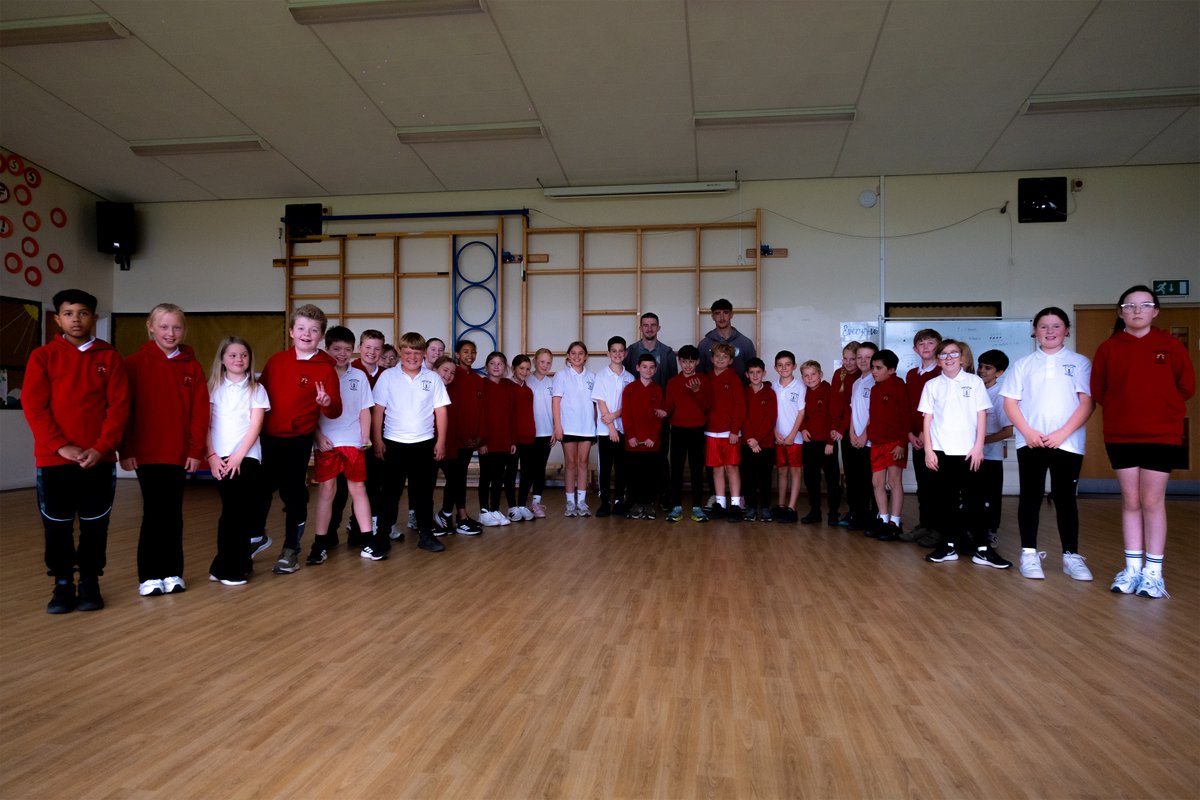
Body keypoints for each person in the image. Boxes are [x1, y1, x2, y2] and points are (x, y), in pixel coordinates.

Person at [24, 289, 129, 614]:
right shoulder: (43, 357)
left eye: (83, 313)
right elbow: (34, 407)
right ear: (58, 319)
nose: (76, 319)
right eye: (68, 314)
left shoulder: (109, 358)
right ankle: (62, 585)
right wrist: (61, 446)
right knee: (56, 525)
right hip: (54, 461)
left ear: (94, 318)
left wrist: (101, 449)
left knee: (95, 525)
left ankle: (90, 583)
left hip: (98, 460)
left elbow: (119, 408)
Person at [1091, 285, 1195, 598]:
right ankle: (1132, 569)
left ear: (1155, 311)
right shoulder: (1109, 348)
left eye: (1144, 305)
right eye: (1130, 306)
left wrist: (1159, 408)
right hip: (1121, 435)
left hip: (1161, 435)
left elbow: (1186, 386)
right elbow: (1099, 390)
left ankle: (1154, 572)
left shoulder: (1170, 346)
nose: (1137, 311)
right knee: (1131, 500)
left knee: (1152, 501)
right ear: (1121, 312)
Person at [120, 303, 209, 597]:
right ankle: (149, 575)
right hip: (145, 453)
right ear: (150, 327)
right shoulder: (132, 364)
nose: (171, 333)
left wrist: (196, 451)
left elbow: (200, 414)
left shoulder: (191, 366)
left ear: (184, 330)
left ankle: (172, 572)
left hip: (179, 454)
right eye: (164, 327)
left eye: (176, 327)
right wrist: (127, 449)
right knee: (153, 513)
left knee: (173, 514)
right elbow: (125, 411)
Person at [1001, 307, 1094, 582]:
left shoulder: (1080, 363)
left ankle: (1071, 556)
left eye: (1056, 326)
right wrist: (1028, 432)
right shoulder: (1023, 364)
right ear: (1034, 331)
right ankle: (1028, 553)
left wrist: (1062, 433)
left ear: (1067, 329)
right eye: (1044, 326)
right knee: (1030, 497)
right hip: (1030, 442)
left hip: (1068, 443)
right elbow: (1010, 402)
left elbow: (1087, 402)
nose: (1050, 331)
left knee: (1066, 499)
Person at [258, 304, 343, 575]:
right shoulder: (276, 361)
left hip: (298, 440)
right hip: (266, 437)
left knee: (293, 494)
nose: (307, 334)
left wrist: (327, 403)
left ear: (321, 336)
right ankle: (255, 536)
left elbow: (336, 409)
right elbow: (259, 398)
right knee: (259, 492)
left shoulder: (326, 370)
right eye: (302, 328)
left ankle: (290, 550)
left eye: (314, 330)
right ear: (292, 331)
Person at [919, 340, 1011, 568]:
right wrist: (929, 451)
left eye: (953, 354)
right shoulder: (932, 385)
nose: (948, 358)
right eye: (943, 354)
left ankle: (982, 549)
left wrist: (979, 446)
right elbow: (927, 419)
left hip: (970, 452)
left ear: (962, 358)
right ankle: (949, 546)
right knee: (946, 502)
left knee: (976, 502)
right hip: (941, 451)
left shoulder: (975, 382)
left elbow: (982, 415)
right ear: (938, 360)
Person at [363, 332, 450, 558]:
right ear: (401, 352)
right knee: (390, 494)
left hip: (425, 444)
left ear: (423, 355)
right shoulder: (387, 377)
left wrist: (440, 441)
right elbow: (378, 411)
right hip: (394, 444)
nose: (412, 357)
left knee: (423, 493)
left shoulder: (433, 379)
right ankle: (382, 536)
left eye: (417, 353)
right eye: (408, 352)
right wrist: (378, 440)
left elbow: (441, 411)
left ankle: (426, 535)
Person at [306, 326, 375, 566]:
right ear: (327, 348)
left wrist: (365, 436)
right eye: (337, 349)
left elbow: (365, 409)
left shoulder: (359, 376)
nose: (342, 353)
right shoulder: (320, 373)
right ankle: (319, 544)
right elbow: (308, 411)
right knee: (327, 492)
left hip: (353, 441)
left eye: (347, 349)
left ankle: (368, 540)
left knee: (359, 490)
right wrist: (317, 436)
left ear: (354, 350)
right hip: (327, 442)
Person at [205, 336, 269, 586]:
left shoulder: (256, 388)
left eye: (243, 355)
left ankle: (231, 564)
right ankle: (228, 567)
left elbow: (256, 424)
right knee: (233, 512)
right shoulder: (213, 388)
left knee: (242, 513)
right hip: (220, 458)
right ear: (222, 359)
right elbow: (206, 425)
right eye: (232, 355)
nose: (238, 359)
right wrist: (211, 456)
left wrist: (239, 456)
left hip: (247, 457)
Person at [328, 328, 388, 548]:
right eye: (368, 347)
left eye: (377, 348)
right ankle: (331, 531)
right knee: (339, 490)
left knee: (369, 487)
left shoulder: (385, 374)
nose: (372, 352)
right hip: (345, 439)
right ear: (360, 349)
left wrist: (374, 439)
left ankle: (359, 530)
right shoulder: (350, 370)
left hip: (374, 440)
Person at [664, 344, 712, 523]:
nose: (688, 365)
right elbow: (669, 405)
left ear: (698, 362)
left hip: (697, 430)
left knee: (696, 469)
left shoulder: (704, 380)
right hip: (677, 429)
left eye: (692, 362)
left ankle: (697, 507)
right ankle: (676, 507)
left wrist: (697, 391)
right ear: (679, 361)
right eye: (684, 361)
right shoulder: (673, 382)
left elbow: (707, 406)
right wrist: (663, 412)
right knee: (676, 469)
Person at [866, 349, 909, 541]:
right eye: (872, 367)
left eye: (878, 368)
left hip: (894, 442)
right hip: (877, 443)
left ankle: (895, 522)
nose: (874, 371)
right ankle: (883, 519)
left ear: (891, 370)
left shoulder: (899, 386)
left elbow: (906, 416)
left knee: (894, 481)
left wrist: (902, 442)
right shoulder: (875, 389)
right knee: (877, 482)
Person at [905, 329, 942, 543]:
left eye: (930, 342)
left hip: (936, 439)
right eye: (921, 343)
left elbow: (939, 407)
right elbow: (910, 407)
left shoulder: (941, 372)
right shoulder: (911, 374)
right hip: (916, 439)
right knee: (923, 485)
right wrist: (910, 432)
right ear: (915, 349)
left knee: (937, 485)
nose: (926, 347)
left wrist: (923, 430)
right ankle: (925, 524)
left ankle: (938, 529)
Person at [445, 339, 484, 535]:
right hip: (452, 438)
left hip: (470, 439)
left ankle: (458, 515)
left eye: (473, 351)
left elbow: (479, 411)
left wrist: (478, 436)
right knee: (455, 478)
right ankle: (453, 516)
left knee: (459, 478)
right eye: (466, 351)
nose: (470, 355)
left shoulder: (478, 380)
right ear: (458, 354)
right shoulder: (451, 376)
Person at [553, 341, 597, 517]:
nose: (577, 356)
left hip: (587, 427)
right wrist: (557, 426)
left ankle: (582, 501)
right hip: (568, 426)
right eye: (573, 353)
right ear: (568, 356)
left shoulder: (592, 377)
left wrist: (595, 425)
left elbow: (595, 404)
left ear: (586, 356)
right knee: (570, 463)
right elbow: (556, 401)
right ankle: (570, 501)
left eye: (580, 353)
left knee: (583, 463)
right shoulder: (561, 375)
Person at [621, 353, 667, 518]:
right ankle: (636, 504)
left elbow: (658, 418)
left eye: (651, 367)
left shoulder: (657, 390)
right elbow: (626, 415)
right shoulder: (629, 389)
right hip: (633, 442)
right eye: (644, 367)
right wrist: (630, 436)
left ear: (655, 370)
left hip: (650, 443)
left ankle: (649, 504)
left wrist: (652, 438)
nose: (648, 370)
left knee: (650, 475)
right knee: (635, 475)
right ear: (638, 368)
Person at [704, 342, 747, 519]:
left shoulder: (734, 379)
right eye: (717, 356)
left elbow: (740, 407)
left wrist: (735, 431)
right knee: (716, 468)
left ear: (730, 361)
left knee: (732, 467)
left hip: (730, 433)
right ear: (712, 359)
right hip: (711, 432)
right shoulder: (706, 378)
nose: (720, 359)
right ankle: (720, 504)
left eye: (725, 357)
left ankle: (736, 504)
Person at [592, 336, 634, 517]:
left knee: (621, 467)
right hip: (605, 431)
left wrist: (616, 420)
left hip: (623, 429)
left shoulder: (630, 377)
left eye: (621, 351)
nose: (617, 354)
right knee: (606, 468)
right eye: (614, 351)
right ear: (609, 353)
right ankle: (604, 503)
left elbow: (629, 405)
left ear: (625, 353)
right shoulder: (601, 376)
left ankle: (618, 501)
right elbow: (600, 403)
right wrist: (611, 428)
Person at [976, 349, 1013, 550]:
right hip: (971, 455)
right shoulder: (973, 389)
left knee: (991, 498)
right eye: (980, 366)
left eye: (987, 368)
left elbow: (1007, 431)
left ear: (999, 372)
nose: (982, 370)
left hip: (991, 457)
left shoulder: (1000, 395)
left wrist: (982, 441)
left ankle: (991, 533)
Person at [798, 360, 840, 526]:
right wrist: (803, 429)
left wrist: (831, 442)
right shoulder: (804, 392)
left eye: (813, 374)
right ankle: (815, 511)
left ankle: (833, 513)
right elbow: (800, 414)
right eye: (806, 376)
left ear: (821, 374)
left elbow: (834, 417)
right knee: (811, 479)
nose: (810, 378)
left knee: (831, 479)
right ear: (802, 378)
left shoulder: (829, 391)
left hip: (827, 444)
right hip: (810, 442)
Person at [478, 351, 517, 527]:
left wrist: (512, 441)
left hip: (504, 440)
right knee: (486, 476)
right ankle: (484, 511)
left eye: (500, 363)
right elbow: (477, 415)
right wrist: (481, 442)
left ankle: (494, 509)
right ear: (486, 367)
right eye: (492, 363)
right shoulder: (481, 385)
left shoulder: (508, 386)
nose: (496, 366)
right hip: (487, 441)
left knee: (498, 477)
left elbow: (512, 415)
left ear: (505, 368)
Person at [740, 357, 777, 521]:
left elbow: (771, 418)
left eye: (758, 372)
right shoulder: (742, 392)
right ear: (747, 375)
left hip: (766, 444)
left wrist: (758, 440)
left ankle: (765, 508)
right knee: (748, 477)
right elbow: (743, 417)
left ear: (764, 373)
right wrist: (750, 439)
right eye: (752, 373)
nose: (755, 375)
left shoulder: (770, 393)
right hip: (747, 444)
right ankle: (751, 507)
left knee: (765, 478)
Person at [845, 342, 877, 531]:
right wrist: (851, 432)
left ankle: (872, 518)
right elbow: (853, 411)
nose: (863, 361)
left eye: (867, 357)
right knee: (856, 480)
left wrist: (865, 434)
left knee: (870, 481)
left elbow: (874, 412)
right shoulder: (857, 382)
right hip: (854, 438)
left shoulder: (875, 380)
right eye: (860, 357)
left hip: (869, 440)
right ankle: (858, 516)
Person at [772, 351, 806, 523]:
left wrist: (793, 435)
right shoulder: (773, 387)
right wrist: (774, 432)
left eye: (787, 364)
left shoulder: (800, 387)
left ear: (794, 366)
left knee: (795, 471)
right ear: (775, 367)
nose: (784, 368)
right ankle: (781, 506)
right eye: (780, 365)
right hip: (778, 437)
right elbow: (769, 413)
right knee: (782, 471)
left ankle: (792, 507)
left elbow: (801, 412)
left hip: (795, 439)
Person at [830, 342, 861, 526]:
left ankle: (863, 512)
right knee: (850, 473)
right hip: (842, 432)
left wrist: (841, 428)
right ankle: (852, 511)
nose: (848, 363)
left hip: (855, 430)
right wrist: (834, 427)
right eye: (845, 359)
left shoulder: (861, 376)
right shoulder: (838, 374)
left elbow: (851, 408)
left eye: (852, 359)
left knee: (860, 474)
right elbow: (836, 404)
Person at [524, 348, 557, 518]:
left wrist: (554, 429)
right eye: (542, 361)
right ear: (535, 361)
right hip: (529, 433)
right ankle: (522, 504)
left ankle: (536, 502)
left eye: (548, 362)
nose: (545, 365)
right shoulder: (526, 381)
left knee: (539, 468)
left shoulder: (552, 383)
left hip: (546, 433)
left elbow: (555, 408)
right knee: (528, 468)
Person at [507, 353, 538, 522]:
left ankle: (521, 505)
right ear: (513, 368)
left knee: (527, 472)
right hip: (513, 439)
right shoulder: (507, 387)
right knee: (511, 473)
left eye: (527, 369)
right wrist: (511, 439)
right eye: (521, 368)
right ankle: (512, 506)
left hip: (528, 437)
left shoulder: (528, 390)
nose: (525, 372)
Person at [698, 298, 756, 378]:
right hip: (711, 390)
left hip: (739, 390)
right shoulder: (704, 345)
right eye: (717, 313)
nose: (722, 317)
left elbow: (753, 374)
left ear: (731, 315)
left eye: (725, 312)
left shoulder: (746, 343)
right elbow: (699, 375)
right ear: (712, 316)